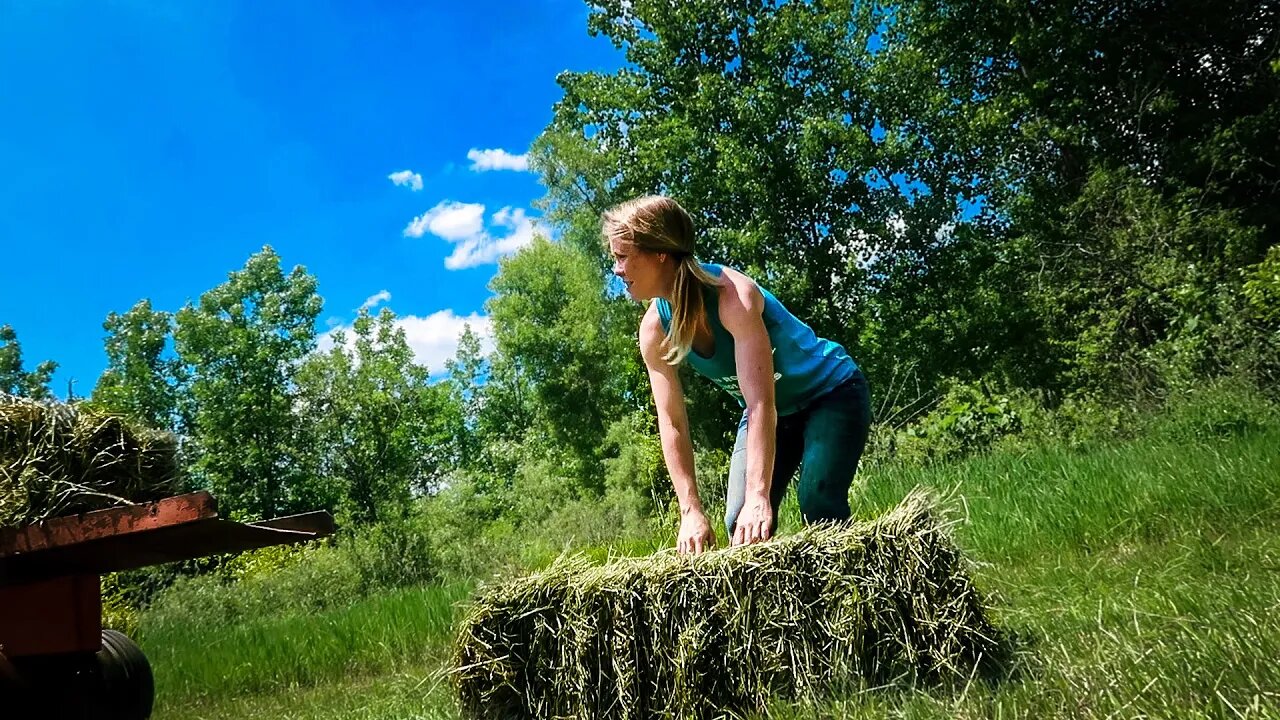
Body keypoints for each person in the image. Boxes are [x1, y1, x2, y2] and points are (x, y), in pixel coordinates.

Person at [604, 195, 873, 555]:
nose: (617, 270)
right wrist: (691, 511)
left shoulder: (733, 297)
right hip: (772, 412)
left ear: (660, 253)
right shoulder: (654, 328)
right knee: (739, 524)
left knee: (818, 504)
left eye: (622, 257)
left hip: (830, 392)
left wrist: (759, 497)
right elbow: (672, 424)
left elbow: (761, 401)